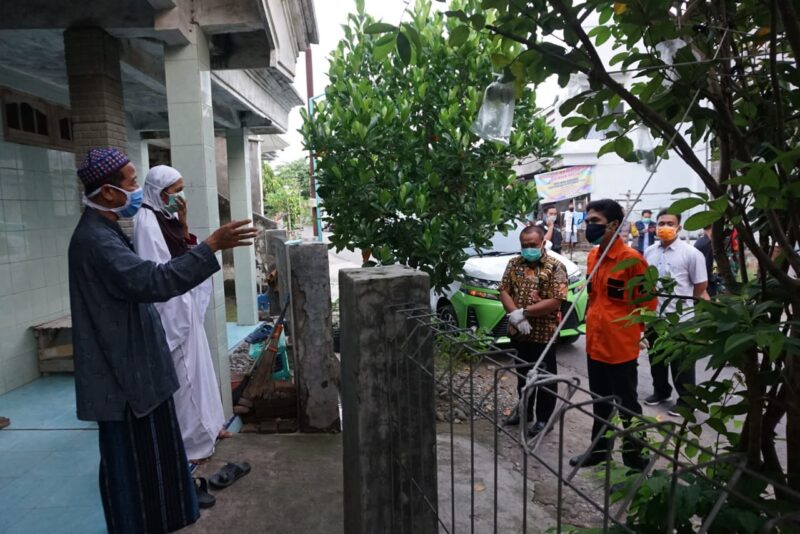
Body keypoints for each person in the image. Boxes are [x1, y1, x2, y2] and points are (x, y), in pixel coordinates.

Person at [69, 147, 257, 533]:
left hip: (137, 370)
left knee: (153, 464)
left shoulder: (105, 231)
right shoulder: (96, 240)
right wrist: (211, 246)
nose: (136, 189)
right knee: (131, 471)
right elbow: (154, 281)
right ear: (108, 192)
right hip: (124, 377)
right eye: (131, 181)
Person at [133, 165, 228, 464]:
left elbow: (182, 250)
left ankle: (211, 428)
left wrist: (184, 222)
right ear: (158, 193)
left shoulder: (167, 216)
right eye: (175, 192)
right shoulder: (147, 224)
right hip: (173, 313)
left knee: (202, 377)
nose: (180, 197)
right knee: (186, 381)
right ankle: (193, 445)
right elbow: (159, 274)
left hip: (185, 307)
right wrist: (179, 315)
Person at [570, 199, 656, 471]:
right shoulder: (594, 256)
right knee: (601, 402)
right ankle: (599, 450)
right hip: (595, 343)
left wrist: (640, 334)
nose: (589, 226)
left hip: (620, 346)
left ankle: (634, 455)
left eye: (595, 221)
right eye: (588, 220)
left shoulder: (632, 261)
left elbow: (647, 303)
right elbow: (596, 299)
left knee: (627, 405)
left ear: (614, 224)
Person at [499, 225, 568, 438]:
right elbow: (504, 290)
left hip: (543, 334)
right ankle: (524, 412)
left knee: (544, 378)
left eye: (533, 245)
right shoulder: (514, 264)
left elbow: (556, 300)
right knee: (522, 375)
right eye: (524, 245)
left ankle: (544, 420)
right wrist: (515, 316)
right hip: (519, 331)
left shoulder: (555, 267)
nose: (528, 249)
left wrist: (525, 313)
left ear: (542, 243)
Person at [643, 211, 708, 416]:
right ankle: (661, 392)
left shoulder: (691, 253)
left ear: (679, 227)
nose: (665, 227)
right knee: (657, 359)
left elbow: (700, 285)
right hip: (655, 317)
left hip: (681, 319)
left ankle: (686, 402)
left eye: (670, 223)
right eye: (661, 223)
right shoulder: (650, 251)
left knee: (682, 364)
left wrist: (687, 305)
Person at [694, 225, 717, 296]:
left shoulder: (700, 241)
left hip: (704, 281)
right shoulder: (707, 243)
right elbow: (706, 267)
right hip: (707, 283)